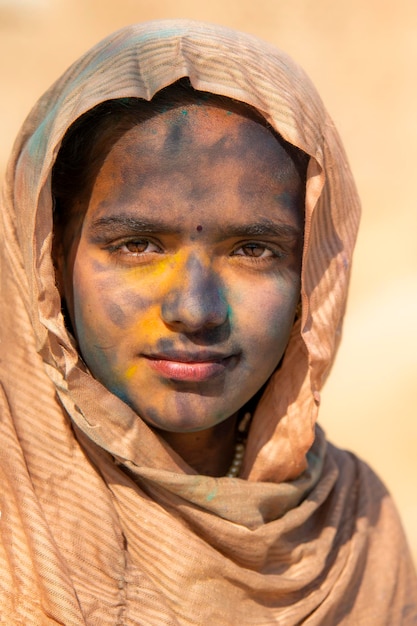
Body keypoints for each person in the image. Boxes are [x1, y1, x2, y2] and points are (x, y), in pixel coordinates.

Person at [0, 19, 415, 625]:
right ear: (50, 261)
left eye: (254, 249)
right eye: (138, 245)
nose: (194, 310)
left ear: (313, 276)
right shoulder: (15, 506)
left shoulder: (352, 527)